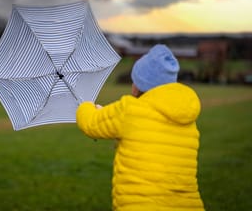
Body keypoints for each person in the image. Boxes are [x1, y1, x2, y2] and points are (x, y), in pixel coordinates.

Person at [76, 44, 205, 211]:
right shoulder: (188, 121)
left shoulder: (130, 110)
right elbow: (147, 133)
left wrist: (85, 105)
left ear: (139, 85)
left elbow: (91, 123)